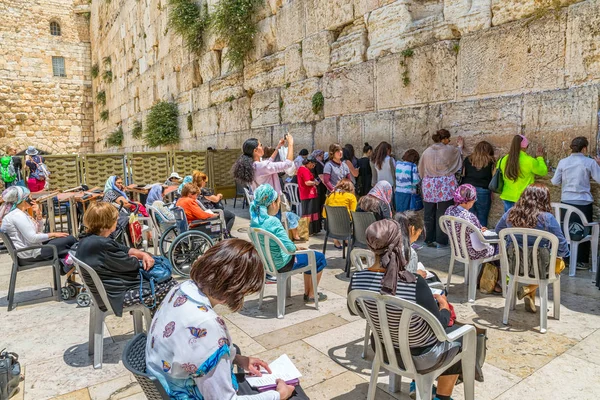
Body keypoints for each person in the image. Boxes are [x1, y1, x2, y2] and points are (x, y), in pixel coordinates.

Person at [146, 240, 308, 399]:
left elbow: (191, 351)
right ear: (236, 288)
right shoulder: (207, 326)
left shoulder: (179, 289)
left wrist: (237, 359)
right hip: (188, 393)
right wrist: (278, 395)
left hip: (170, 383)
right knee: (297, 395)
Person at [348, 219, 467, 400]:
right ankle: (442, 397)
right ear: (398, 243)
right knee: (465, 337)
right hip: (421, 357)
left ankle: (421, 386)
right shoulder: (414, 283)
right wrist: (443, 306)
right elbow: (440, 326)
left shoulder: (356, 279)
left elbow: (357, 310)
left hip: (383, 349)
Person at [76, 202, 177, 316]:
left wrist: (142, 255)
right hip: (116, 296)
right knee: (169, 285)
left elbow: (124, 249)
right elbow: (130, 265)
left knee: (160, 283)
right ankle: (159, 325)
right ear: (108, 222)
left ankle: (154, 321)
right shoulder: (102, 244)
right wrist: (135, 258)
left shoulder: (88, 239)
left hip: (106, 293)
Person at [495, 184, 569, 313]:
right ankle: (529, 289)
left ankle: (530, 292)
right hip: (540, 268)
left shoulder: (510, 213)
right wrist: (559, 254)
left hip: (514, 265)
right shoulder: (548, 218)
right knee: (560, 263)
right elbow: (562, 246)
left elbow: (498, 230)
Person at [250, 184, 327, 303]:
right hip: (283, 263)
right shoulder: (273, 222)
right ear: (273, 204)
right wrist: (296, 248)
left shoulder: (254, 221)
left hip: (266, 263)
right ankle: (311, 294)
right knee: (319, 258)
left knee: (309, 257)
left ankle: (308, 292)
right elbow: (290, 248)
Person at [551, 136, 600, 270]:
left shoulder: (563, 162)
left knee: (566, 230)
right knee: (584, 231)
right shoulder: (589, 162)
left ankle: (566, 259)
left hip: (565, 202)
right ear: (584, 148)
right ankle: (581, 261)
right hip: (583, 203)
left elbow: (555, 181)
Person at [0, 186, 76, 263]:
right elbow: (33, 238)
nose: (32, 199)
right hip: (30, 253)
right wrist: (53, 234)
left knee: (68, 243)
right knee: (70, 240)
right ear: (24, 199)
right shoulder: (17, 215)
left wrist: (38, 214)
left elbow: (38, 231)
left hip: (33, 248)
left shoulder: (21, 213)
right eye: (30, 197)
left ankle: (66, 264)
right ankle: (68, 265)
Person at [418, 129, 464, 248]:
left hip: (429, 184)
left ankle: (428, 239)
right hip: (445, 184)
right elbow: (457, 154)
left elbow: (421, 168)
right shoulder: (448, 149)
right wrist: (460, 146)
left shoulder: (427, 151)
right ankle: (441, 241)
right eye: (448, 139)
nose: (449, 141)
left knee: (429, 212)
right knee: (443, 212)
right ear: (443, 139)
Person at [444, 184, 496, 261]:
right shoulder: (470, 217)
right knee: (500, 246)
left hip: (457, 250)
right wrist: (489, 244)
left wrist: (478, 230)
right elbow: (477, 246)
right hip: (471, 253)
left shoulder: (449, 210)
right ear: (470, 200)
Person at [497, 134, 547, 212]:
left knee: (509, 221)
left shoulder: (502, 159)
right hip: (524, 197)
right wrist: (540, 158)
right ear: (525, 146)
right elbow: (543, 171)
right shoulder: (529, 161)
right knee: (523, 222)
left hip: (507, 196)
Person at [462, 141, 495, 227]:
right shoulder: (491, 161)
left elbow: (463, 174)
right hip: (483, 190)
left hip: (467, 189)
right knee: (482, 216)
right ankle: (481, 238)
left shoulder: (468, 159)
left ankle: (470, 238)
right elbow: (493, 177)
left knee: (469, 216)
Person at [192, 170, 236, 235]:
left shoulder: (194, 189)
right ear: (202, 181)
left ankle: (224, 232)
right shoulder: (203, 190)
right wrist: (219, 195)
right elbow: (215, 199)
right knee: (231, 216)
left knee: (226, 214)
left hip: (204, 210)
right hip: (211, 211)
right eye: (205, 182)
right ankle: (227, 234)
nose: (206, 183)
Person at [323, 178, 357, 248]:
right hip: (345, 227)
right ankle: (347, 240)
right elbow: (353, 214)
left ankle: (336, 241)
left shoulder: (330, 195)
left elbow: (324, 214)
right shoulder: (351, 197)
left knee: (333, 219)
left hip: (331, 227)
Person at [296, 156, 321, 235]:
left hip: (307, 194)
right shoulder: (304, 170)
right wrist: (315, 183)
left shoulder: (301, 169)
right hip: (308, 194)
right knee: (309, 212)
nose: (313, 167)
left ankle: (311, 230)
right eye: (313, 165)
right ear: (309, 163)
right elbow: (307, 182)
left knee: (310, 212)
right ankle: (309, 231)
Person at [311, 150, 327, 226]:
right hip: (319, 186)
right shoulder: (318, 164)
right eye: (321, 155)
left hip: (319, 186)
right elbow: (321, 176)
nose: (322, 157)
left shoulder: (318, 163)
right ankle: (320, 219)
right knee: (320, 202)